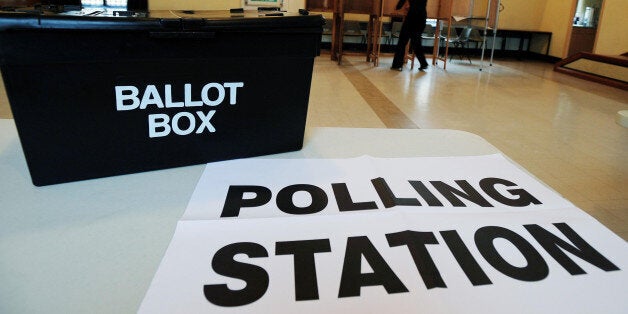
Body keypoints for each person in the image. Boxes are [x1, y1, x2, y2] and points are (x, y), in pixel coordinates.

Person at [391, 0, 429, 71]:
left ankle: (397, 64)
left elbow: (399, 5)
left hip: (412, 17)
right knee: (416, 42)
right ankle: (423, 63)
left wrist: (397, 8)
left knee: (402, 41)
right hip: (421, 17)